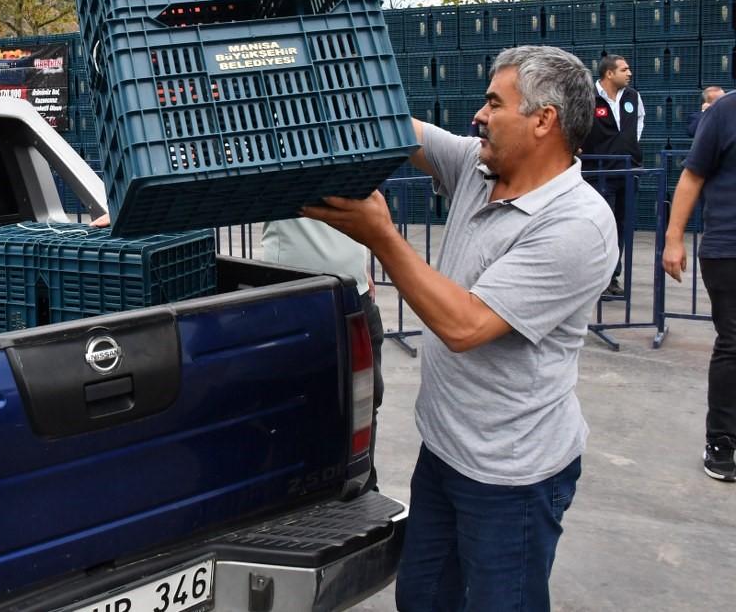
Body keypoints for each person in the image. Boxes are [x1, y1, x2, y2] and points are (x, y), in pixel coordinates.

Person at [302, 45, 616, 611]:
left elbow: (465, 325)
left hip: (513, 477)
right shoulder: (479, 165)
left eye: (494, 103)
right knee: (422, 598)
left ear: (543, 121)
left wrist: (382, 237)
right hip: (446, 451)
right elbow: (401, 127)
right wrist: (310, 64)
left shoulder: (578, 225)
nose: (478, 115)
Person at [261, 217, 384, 484]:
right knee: (298, 405)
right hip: (294, 293)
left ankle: (361, 485)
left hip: (354, 289)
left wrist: (358, 265)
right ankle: (300, 491)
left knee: (365, 401)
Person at [662, 90, 736, 483]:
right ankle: (722, 440)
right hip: (729, 250)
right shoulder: (725, 111)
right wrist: (674, 238)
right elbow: (692, 175)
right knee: (733, 344)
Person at [579, 53, 643, 297]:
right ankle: (593, 279)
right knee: (598, 227)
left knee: (621, 226)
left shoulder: (633, 96)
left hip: (627, 170)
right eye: (624, 69)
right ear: (609, 73)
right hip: (598, 172)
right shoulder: (588, 98)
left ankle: (611, 278)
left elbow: (638, 123)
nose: (629, 73)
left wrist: (626, 148)